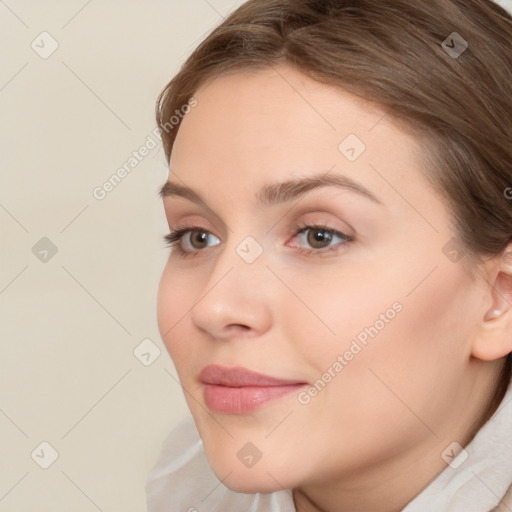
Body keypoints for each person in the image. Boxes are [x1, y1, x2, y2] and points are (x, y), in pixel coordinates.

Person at [146, 0, 512, 510]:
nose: (213, 308)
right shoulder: (185, 484)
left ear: (500, 298)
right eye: (196, 236)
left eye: (320, 235)